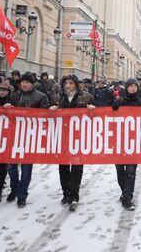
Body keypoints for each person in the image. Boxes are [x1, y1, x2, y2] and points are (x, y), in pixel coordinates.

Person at [4, 72, 50, 208]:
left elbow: (45, 115)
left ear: (32, 84)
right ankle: (14, 188)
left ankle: (22, 194)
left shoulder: (41, 97)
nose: (24, 84)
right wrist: (6, 108)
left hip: (30, 137)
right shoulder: (14, 95)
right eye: (23, 82)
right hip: (14, 135)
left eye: (27, 82)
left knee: (26, 167)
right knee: (11, 166)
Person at [49, 74, 95, 211]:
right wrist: (51, 111)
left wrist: (92, 110)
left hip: (78, 137)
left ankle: (74, 195)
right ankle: (66, 193)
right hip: (62, 137)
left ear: (76, 84)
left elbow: (97, 116)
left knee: (77, 168)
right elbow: (47, 116)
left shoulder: (86, 97)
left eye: (71, 83)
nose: (68, 86)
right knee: (63, 167)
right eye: (66, 83)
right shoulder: (57, 98)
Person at [112, 78, 141, 210]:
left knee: (131, 170)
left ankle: (128, 197)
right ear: (126, 88)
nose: (132, 89)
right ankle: (124, 191)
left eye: (134, 86)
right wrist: (113, 106)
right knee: (120, 171)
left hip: (134, 141)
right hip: (119, 141)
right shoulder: (119, 101)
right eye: (130, 86)